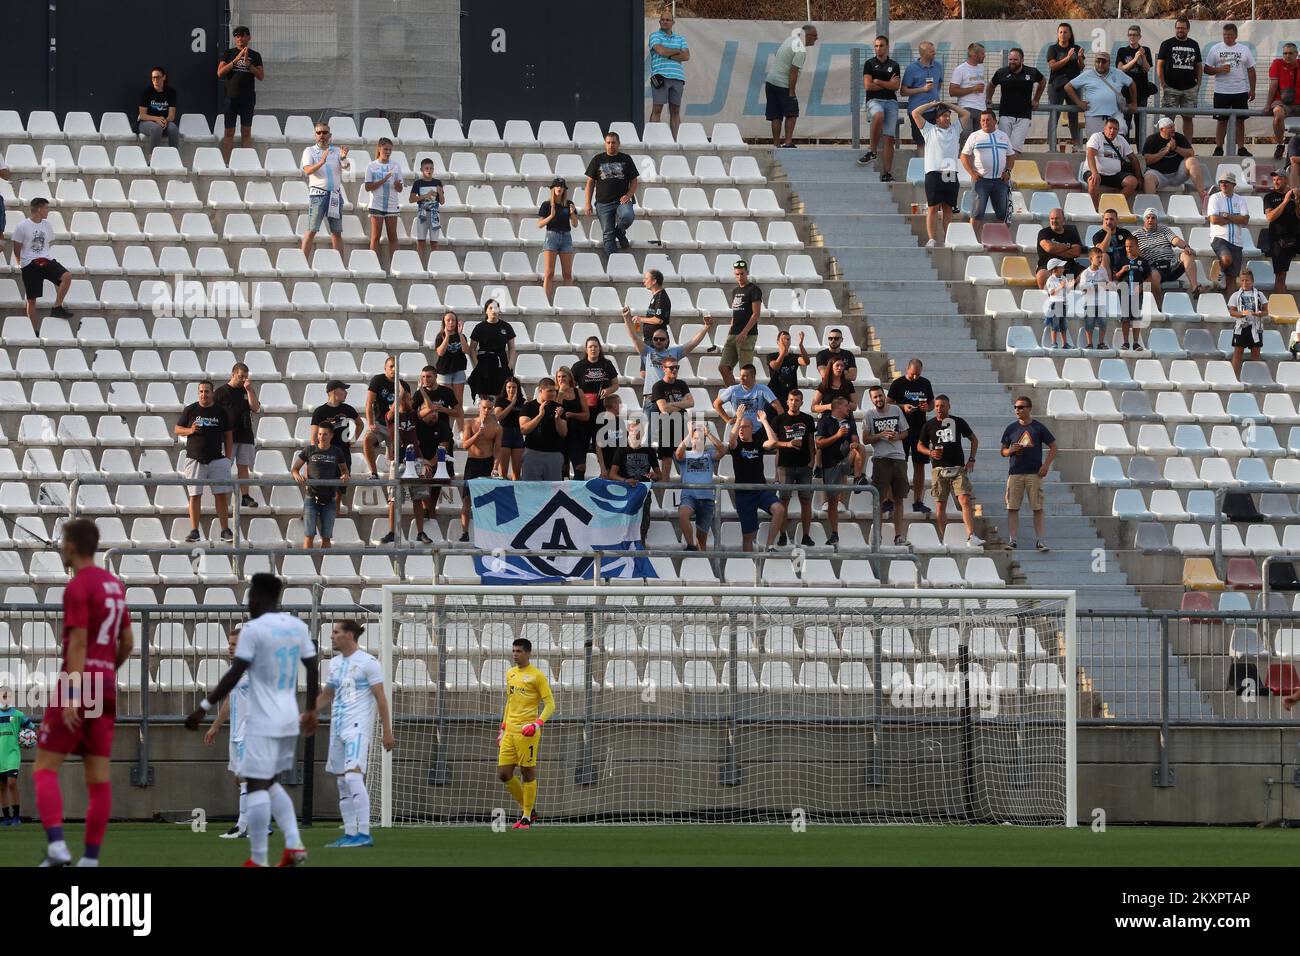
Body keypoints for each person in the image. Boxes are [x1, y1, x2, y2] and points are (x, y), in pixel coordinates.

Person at [185, 572, 317, 868]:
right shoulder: (297, 626)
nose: (248, 603)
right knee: (268, 783)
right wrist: (310, 711)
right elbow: (313, 667)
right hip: (287, 715)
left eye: (249, 598)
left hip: (261, 718)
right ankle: (293, 846)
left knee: (256, 784)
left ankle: (259, 858)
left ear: (258, 598)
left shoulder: (255, 630)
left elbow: (234, 674)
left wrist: (203, 707)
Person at [33, 519, 133, 867]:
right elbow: (128, 643)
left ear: (72, 546)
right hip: (105, 685)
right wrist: (105, 674)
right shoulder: (114, 586)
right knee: (98, 777)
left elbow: (77, 643)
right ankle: (90, 860)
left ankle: (58, 846)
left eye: (63, 542)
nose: (62, 548)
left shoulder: (78, 587)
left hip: (79, 682)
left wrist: (76, 690)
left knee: (44, 768)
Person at [313, 620, 395, 848]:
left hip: (358, 727)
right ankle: (350, 834)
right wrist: (309, 712)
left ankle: (365, 833)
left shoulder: (368, 663)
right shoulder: (335, 663)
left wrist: (387, 731)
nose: (331, 636)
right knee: (341, 782)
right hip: (338, 727)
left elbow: (381, 698)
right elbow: (328, 694)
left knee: (352, 776)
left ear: (349, 635)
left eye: (336, 632)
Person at [496, 638, 555, 830]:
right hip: (510, 731)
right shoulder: (510, 674)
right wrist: (503, 728)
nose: (515, 654)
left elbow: (550, 704)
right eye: (513, 650)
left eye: (519, 651)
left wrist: (536, 724)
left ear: (528, 653)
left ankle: (527, 817)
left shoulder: (537, 676)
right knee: (504, 774)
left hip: (527, 732)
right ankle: (528, 809)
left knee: (527, 772)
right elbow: (510, 703)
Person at [202, 624, 252, 839]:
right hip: (237, 731)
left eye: (235, 644)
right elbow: (230, 700)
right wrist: (216, 725)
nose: (230, 648)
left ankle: (243, 827)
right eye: (230, 644)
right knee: (240, 779)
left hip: (252, 731)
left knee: (245, 779)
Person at [916, 395, 983, 547]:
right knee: (940, 505)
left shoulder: (958, 421)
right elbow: (919, 446)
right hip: (939, 469)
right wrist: (930, 452)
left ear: (949, 406)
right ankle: (944, 537)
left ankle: (971, 536)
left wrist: (972, 459)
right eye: (937, 406)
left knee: (964, 500)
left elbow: (974, 439)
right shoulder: (929, 425)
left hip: (958, 468)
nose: (939, 409)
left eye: (942, 406)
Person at [626, 312, 713, 423]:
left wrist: (706, 327)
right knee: (651, 433)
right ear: (652, 340)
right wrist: (626, 318)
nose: (658, 341)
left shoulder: (674, 352)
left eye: (661, 339)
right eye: (656, 339)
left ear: (667, 341)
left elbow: (693, 343)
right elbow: (633, 337)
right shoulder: (647, 351)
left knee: (672, 434)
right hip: (651, 397)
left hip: (669, 397)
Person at [176, 380, 233, 543]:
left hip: (217, 458)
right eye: (201, 391)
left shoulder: (220, 411)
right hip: (195, 458)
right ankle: (194, 530)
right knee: (195, 495)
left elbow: (228, 435)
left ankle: (225, 530)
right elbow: (177, 429)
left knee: (220, 495)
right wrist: (190, 430)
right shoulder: (191, 409)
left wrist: (228, 458)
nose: (203, 394)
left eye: (206, 391)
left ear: (212, 393)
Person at [1001, 397, 1057, 552]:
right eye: (1015, 407)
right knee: (1012, 507)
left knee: (1037, 507)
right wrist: (1010, 450)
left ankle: (1040, 541)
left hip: (1034, 473)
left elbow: (1053, 446)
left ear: (1029, 408)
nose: (1017, 410)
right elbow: (1003, 451)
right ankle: (1012, 540)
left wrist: (1046, 465)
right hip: (1015, 473)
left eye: (1020, 407)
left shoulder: (1038, 427)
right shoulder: (1011, 428)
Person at [911, 101, 967, 248]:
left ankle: (947, 239)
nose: (947, 118)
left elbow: (966, 114)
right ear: (937, 119)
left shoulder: (955, 129)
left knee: (948, 208)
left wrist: (949, 105)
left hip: (950, 172)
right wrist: (932, 104)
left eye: (948, 116)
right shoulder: (929, 130)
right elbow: (915, 113)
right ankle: (931, 239)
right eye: (944, 116)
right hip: (934, 173)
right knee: (933, 207)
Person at [731, 410, 786, 553]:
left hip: (760, 490)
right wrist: (739, 419)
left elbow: (773, 441)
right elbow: (731, 439)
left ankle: (769, 547)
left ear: (752, 429)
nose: (742, 430)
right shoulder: (736, 446)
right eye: (740, 428)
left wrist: (764, 421)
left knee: (779, 509)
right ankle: (747, 567)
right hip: (743, 494)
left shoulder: (757, 444)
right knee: (749, 536)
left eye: (745, 427)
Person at [11, 198, 73, 325]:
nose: (47, 211)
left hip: (45, 260)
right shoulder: (22, 226)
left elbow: (47, 242)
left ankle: (57, 307)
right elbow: (16, 249)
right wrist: (21, 264)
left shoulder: (47, 224)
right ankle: (34, 331)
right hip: (29, 264)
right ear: (39, 209)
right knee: (31, 300)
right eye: (46, 208)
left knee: (66, 276)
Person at [381, 387, 431, 544]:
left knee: (418, 497)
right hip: (398, 460)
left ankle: (420, 532)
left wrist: (422, 390)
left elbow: (429, 408)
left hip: (415, 459)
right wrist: (401, 392)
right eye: (409, 399)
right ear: (402, 400)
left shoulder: (413, 415)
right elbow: (393, 410)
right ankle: (392, 532)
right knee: (394, 498)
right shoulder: (391, 416)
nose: (412, 402)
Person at [862, 385, 910, 546]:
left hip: (898, 458)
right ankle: (878, 535)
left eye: (880, 396)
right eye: (875, 397)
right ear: (871, 399)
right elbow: (865, 439)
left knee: (899, 499)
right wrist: (881, 435)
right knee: (879, 499)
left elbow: (905, 432)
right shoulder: (869, 414)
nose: (878, 399)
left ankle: (898, 536)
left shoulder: (896, 410)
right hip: (881, 459)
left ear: (884, 395)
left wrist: (897, 436)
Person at [887, 359, 935, 516]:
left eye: (918, 374)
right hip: (901, 427)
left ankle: (918, 501)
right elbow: (888, 404)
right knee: (897, 464)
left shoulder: (925, 383)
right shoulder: (898, 383)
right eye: (913, 373)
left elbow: (932, 404)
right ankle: (891, 500)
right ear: (907, 369)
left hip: (920, 428)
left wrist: (927, 407)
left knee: (919, 465)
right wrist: (903, 407)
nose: (915, 377)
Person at [814, 396, 862, 548]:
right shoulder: (824, 421)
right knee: (833, 501)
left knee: (860, 448)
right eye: (847, 406)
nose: (849, 408)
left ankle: (858, 477)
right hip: (830, 464)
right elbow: (819, 443)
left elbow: (856, 439)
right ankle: (834, 533)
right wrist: (837, 436)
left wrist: (854, 443)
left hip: (846, 459)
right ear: (838, 407)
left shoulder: (851, 422)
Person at [772, 388, 817, 548]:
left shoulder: (808, 419)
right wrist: (776, 469)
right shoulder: (779, 419)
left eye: (797, 400)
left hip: (804, 466)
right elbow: (775, 445)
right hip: (785, 466)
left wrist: (812, 460)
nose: (793, 402)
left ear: (801, 402)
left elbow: (811, 442)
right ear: (787, 401)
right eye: (791, 399)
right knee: (783, 502)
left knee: (806, 502)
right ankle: (782, 535)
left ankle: (806, 535)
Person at [310, 380, 363, 512]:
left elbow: (360, 424)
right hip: (326, 453)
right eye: (343, 389)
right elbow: (313, 436)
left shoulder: (348, 409)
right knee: (324, 485)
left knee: (341, 485)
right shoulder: (320, 411)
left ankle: (336, 513)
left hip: (343, 453)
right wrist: (315, 454)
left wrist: (353, 439)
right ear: (334, 391)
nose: (346, 392)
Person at [1204, 23, 1257, 157]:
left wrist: (1252, 89)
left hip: (1240, 90)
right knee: (1221, 120)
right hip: (1221, 91)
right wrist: (1219, 69)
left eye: (1230, 35)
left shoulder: (1244, 49)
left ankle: (1241, 148)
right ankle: (1218, 147)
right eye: (1225, 35)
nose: (1227, 37)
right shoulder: (1215, 48)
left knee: (1240, 120)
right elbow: (1206, 69)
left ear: (1236, 35)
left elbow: (1251, 70)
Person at [292, 425, 349, 548]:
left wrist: (345, 475)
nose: (321, 437)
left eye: (324, 434)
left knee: (326, 538)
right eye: (319, 434)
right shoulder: (309, 450)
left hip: (330, 498)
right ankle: (307, 566)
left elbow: (344, 469)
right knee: (308, 537)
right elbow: (295, 469)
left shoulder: (337, 451)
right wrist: (297, 475)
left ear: (331, 435)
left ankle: (326, 566)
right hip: (311, 497)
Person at [214, 363, 261, 511]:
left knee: (244, 466)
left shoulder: (246, 390)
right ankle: (222, 495)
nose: (243, 380)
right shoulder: (221, 392)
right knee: (224, 465)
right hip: (228, 435)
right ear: (233, 374)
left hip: (246, 434)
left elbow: (255, 408)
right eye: (241, 377)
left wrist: (249, 389)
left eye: (246, 377)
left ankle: (245, 496)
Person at [583, 132, 638, 257]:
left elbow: (634, 181)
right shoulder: (597, 159)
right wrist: (587, 203)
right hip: (603, 203)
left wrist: (628, 195)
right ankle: (614, 264)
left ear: (618, 144)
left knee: (627, 216)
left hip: (621, 201)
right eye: (608, 142)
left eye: (613, 142)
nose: (611, 145)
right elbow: (590, 183)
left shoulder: (626, 159)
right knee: (608, 234)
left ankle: (619, 231)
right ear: (605, 144)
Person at [571, 337, 619, 478]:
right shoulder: (579, 366)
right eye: (590, 346)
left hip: (602, 411)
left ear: (600, 348)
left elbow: (616, 384)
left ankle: (604, 473)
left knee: (602, 444)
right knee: (582, 445)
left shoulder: (606, 364)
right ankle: (579, 475)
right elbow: (571, 386)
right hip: (584, 412)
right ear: (586, 349)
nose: (593, 349)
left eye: (596, 346)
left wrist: (608, 391)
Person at [300, 123, 351, 255]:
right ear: (315, 135)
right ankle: (302, 262)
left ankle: (339, 264)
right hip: (318, 195)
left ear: (330, 135)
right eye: (319, 133)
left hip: (335, 195)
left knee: (336, 232)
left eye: (324, 132)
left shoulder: (336, 151)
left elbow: (347, 168)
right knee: (312, 230)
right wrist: (321, 161)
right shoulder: (309, 150)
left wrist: (343, 158)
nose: (322, 135)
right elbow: (307, 170)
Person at [857, 35, 903, 181]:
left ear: (887, 47)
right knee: (878, 115)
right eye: (876, 46)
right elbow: (868, 85)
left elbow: (895, 86)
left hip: (891, 101)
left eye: (881, 45)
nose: (878, 49)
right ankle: (872, 151)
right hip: (874, 100)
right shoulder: (869, 64)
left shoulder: (894, 65)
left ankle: (887, 173)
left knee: (889, 138)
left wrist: (878, 81)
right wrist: (886, 83)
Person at [216, 26, 264, 164]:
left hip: (248, 98)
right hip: (231, 98)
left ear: (249, 37)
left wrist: (249, 65)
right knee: (229, 132)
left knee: (246, 131)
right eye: (237, 36)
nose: (240, 39)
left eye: (243, 36)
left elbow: (261, 76)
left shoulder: (255, 55)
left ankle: (247, 163)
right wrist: (235, 61)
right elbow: (220, 73)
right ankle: (226, 164)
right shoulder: (228, 53)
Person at [766, 24, 817, 148]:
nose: (816, 39)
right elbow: (793, 71)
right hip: (783, 84)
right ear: (807, 36)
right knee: (792, 113)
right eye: (815, 36)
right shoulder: (800, 49)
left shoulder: (790, 39)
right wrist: (792, 91)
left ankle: (776, 145)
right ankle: (788, 142)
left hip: (770, 81)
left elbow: (777, 53)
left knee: (776, 115)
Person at [960, 110, 1015, 225]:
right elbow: (963, 156)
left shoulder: (1003, 136)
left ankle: (998, 242)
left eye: (988, 120)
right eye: (983, 120)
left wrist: (1008, 171)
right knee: (976, 215)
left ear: (995, 121)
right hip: (981, 181)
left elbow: (1011, 155)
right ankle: (975, 242)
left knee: (1003, 215)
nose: (985, 122)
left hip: (1000, 181)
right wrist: (972, 173)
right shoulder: (974, 136)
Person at [675, 422, 724, 552]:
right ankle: (690, 545)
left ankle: (701, 561)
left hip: (707, 499)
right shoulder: (686, 455)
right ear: (691, 439)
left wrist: (709, 434)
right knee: (683, 514)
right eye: (695, 438)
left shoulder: (709, 455)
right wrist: (689, 433)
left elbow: (723, 450)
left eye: (701, 438)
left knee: (701, 539)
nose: (698, 440)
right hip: (689, 496)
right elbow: (678, 453)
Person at [1065, 50, 1135, 141]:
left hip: (1114, 114)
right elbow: (1068, 87)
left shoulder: (1117, 73)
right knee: (1095, 145)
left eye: (1104, 61)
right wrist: (1078, 102)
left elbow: (1132, 83)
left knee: (1118, 140)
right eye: (1098, 61)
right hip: (1093, 116)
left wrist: (1134, 103)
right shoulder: (1087, 74)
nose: (1100, 64)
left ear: (1109, 63)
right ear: (1095, 62)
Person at [610, 417, 660, 539]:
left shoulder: (649, 451)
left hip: (643, 492)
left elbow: (660, 475)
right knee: (626, 524)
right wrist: (625, 481)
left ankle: (641, 546)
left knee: (644, 523)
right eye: (633, 431)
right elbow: (612, 474)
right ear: (629, 432)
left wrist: (655, 475)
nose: (636, 434)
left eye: (638, 431)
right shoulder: (621, 451)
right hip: (626, 492)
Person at [989, 48, 1045, 155]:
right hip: (1005, 115)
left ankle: (1008, 171)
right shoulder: (1001, 72)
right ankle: (1003, 170)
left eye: (1015, 59)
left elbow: (1043, 81)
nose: (1012, 62)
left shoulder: (1032, 72)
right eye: (1010, 59)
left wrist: (1036, 99)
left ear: (1022, 60)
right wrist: (988, 100)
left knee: (1015, 149)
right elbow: (991, 85)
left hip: (1024, 116)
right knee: (1003, 147)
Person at [1135, 209, 1202, 297]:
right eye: (1148, 217)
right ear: (1144, 219)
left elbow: (1175, 240)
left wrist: (1186, 247)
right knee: (1153, 275)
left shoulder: (1163, 229)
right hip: (1154, 268)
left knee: (1187, 254)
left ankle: (1194, 287)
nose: (1150, 220)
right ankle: (1158, 306)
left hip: (1171, 266)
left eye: (1153, 218)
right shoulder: (1136, 235)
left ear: (1157, 220)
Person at [460, 397, 501, 541]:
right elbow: (465, 445)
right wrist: (478, 434)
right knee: (466, 500)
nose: (486, 410)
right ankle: (464, 533)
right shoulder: (470, 423)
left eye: (490, 408)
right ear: (479, 407)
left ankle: (486, 533)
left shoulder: (497, 427)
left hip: (487, 463)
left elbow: (497, 450)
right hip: (472, 463)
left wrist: (495, 466)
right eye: (484, 407)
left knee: (488, 501)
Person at [363, 356, 409, 479]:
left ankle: (393, 487)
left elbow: (410, 406)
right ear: (385, 368)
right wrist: (370, 423)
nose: (394, 369)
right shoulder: (378, 380)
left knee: (395, 458)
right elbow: (368, 403)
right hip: (381, 423)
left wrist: (402, 394)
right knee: (367, 439)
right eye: (391, 366)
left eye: (396, 367)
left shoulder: (403, 384)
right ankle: (374, 473)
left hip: (396, 426)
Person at [1157, 17, 1203, 142]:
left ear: (1188, 29)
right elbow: (1160, 64)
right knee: (1168, 119)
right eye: (1178, 28)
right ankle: (1166, 144)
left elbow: (1199, 65)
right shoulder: (1167, 44)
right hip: (1171, 87)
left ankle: (1187, 146)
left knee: (1188, 118)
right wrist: (1163, 83)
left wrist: (1198, 84)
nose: (1180, 30)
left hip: (1189, 88)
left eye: (1182, 28)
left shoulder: (1194, 44)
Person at [649, 355, 693, 478]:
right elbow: (663, 408)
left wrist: (672, 404)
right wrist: (681, 405)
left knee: (684, 458)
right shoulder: (658, 386)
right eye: (671, 367)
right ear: (664, 368)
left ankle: (687, 489)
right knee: (666, 460)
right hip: (667, 426)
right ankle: (665, 489)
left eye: (677, 367)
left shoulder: (682, 384)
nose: (675, 370)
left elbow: (691, 403)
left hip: (683, 424)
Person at [648, 8, 689, 138]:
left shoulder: (680, 38)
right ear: (659, 22)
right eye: (663, 20)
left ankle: (677, 141)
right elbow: (661, 51)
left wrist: (669, 54)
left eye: (668, 20)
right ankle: (653, 139)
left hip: (677, 77)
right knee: (657, 108)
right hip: (661, 76)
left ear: (673, 22)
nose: (665, 22)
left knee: (675, 110)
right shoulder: (654, 35)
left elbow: (686, 56)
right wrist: (677, 51)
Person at [1142, 116, 1206, 199]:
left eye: (1173, 126)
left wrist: (1176, 148)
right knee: (1148, 178)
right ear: (1162, 129)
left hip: (1177, 174)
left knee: (1192, 161)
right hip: (1159, 175)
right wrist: (1165, 151)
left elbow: (1191, 153)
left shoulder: (1179, 137)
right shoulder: (1152, 139)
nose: (1173, 129)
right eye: (1170, 127)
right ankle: (1151, 206)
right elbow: (1148, 160)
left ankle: (1203, 195)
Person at [1207, 171, 1250, 296]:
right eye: (1221, 182)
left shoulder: (1240, 199)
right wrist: (1235, 218)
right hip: (1219, 238)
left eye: (1226, 182)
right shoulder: (1214, 198)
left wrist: (1225, 215)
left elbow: (1245, 220)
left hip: (1236, 241)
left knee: (1232, 279)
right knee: (1227, 259)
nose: (1223, 184)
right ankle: (1219, 273)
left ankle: (1229, 308)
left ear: (1233, 184)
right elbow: (1214, 219)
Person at [721, 259, 762, 387]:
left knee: (745, 372)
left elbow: (756, 314)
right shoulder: (735, 290)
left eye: (742, 274)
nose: (739, 277)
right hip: (734, 333)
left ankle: (746, 399)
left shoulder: (754, 290)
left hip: (747, 334)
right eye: (737, 274)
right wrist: (730, 331)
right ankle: (735, 395)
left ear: (747, 273)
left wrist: (745, 332)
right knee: (723, 367)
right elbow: (735, 313)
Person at [1084, 116, 1140, 205]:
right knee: (1093, 181)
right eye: (1110, 128)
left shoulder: (1121, 139)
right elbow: (1090, 155)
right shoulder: (1096, 137)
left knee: (1132, 182)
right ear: (1105, 128)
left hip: (1114, 174)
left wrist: (1139, 177)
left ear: (1118, 131)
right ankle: (1096, 209)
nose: (1112, 131)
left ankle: (1113, 206)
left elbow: (1133, 158)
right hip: (1096, 172)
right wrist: (1094, 172)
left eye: (1115, 129)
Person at [1046, 23, 1086, 150]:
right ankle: (1052, 146)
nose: (1063, 34)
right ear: (1057, 34)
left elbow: (1081, 67)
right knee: (1054, 114)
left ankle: (1076, 145)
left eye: (1065, 32)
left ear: (1070, 34)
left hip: (1073, 86)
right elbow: (1053, 66)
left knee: (1073, 114)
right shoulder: (1053, 49)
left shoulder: (1076, 48)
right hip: (1056, 86)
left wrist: (1079, 58)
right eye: (1060, 32)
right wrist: (1068, 58)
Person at [364, 137, 404, 263]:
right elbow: (368, 187)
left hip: (392, 204)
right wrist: (384, 179)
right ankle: (372, 265)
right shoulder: (371, 166)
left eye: (390, 150)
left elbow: (400, 189)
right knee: (375, 237)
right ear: (379, 149)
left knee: (393, 236)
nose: (388, 152)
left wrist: (398, 184)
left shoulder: (396, 166)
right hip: (376, 204)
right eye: (385, 149)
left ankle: (394, 265)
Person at [520, 379, 569, 480]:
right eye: (549, 391)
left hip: (554, 454)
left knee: (553, 490)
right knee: (531, 488)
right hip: (533, 453)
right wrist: (540, 415)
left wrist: (557, 418)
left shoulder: (558, 408)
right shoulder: (528, 407)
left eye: (555, 391)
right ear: (540, 390)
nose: (553, 393)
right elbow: (524, 429)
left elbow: (563, 433)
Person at [467, 298, 516, 400]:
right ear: (486, 311)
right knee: (483, 393)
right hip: (484, 363)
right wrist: (477, 366)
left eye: (496, 308)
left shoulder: (506, 327)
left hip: (501, 362)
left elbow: (512, 348)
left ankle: (498, 414)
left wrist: (510, 365)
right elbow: (472, 348)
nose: (493, 311)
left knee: (501, 393)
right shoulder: (479, 327)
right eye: (490, 308)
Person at [538, 177, 579, 299]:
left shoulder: (569, 204)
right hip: (552, 236)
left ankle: (567, 300)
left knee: (567, 273)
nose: (559, 188)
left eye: (561, 186)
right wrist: (551, 216)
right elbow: (540, 224)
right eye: (557, 186)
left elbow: (575, 224)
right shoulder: (547, 204)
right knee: (549, 272)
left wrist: (572, 214)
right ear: (553, 188)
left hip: (566, 236)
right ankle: (545, 300)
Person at [0, 689, 35, 827]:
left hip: (12, 754)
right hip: (0, 755)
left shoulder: (18, 714)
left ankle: (16, 816)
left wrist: (31, 739)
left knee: (11, 784)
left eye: (7, 696)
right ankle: (6, 817)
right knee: (1, 787)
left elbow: (32, 728)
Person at [901, 41, 944, 150]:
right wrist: (922, 89)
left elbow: (939, 83)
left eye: (934, 50)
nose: (935, 53)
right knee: (921, 143)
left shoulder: (938, 66)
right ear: (923, 53)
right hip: (918, 112)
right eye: (931, 51)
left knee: (936, 141)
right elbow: (903, 91)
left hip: (934, 110)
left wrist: (934, 95)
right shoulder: (912, 68)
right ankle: (921, 166)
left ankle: (933, 166)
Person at [1264, 169, 1300, 294]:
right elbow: (1270, 217)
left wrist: (1297, 201)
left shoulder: (1295, 196)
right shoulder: (1269, 197)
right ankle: (1281, 306)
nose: (1276, 182)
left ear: (1286, 180)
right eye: (1274, 180)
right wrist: (1285, 202)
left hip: (1296, 236)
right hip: (1278, 239)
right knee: (1280, 275)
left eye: (1279, 179)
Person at [1113, 235, 1152, 350]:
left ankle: (1136, 342)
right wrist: (1122, 270)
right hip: (1124, 292)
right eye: (1127, 246)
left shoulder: (1143, 262)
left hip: (1137, 293)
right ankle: (1125, 342)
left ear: (1137, 246)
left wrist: (1141, 287)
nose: (1129, 248)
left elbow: (1149, 278)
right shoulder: (1121, 260)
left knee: (1136, 319)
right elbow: (1115, 276)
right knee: (1125, 318)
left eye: (1131, 246)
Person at [1228, 268, 1269, 376]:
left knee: (1256, 354)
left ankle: (1257, 377)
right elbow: (1232, 312)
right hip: (1241, 327)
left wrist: (1260, 313)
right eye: (1242, 280)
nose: (1244, 283)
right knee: (1237, 354)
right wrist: (1242, 313)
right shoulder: (1235, 295)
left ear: (1252, 281)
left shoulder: (1259, 295)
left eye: (1247, 280)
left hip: (1256, 327)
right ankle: (1234, 378)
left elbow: (1266, 311)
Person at [714, 363, 781, 427]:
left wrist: (781, 424)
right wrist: (728, 420)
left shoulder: (762, 389)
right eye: (740, 375)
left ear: (753, 377)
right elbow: (716, 404)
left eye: (745, 376)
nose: (741, 378)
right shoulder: (733, 389)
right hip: (740, 429)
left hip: (758, 429)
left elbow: (777, 406)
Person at [1118, 26, 1154, 141]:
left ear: (1139, 37)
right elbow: (1121, 69)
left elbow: (1147, 68)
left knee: (1140, 122)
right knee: (1125, 121)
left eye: (1134, 35)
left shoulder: (1145, 50)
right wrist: (1134, 59)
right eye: (1130, 35)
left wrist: (1142, 56)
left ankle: (1140, 149)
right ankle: (1125, 148)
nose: (1132, 37)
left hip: (1142, 91)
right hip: (1126, 91)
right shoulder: (1122, 51)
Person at [554, 367, 591, 479]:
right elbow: (554, 411)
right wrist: (560, 392)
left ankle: (578, 493)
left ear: (570, 377)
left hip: (577, 433)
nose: (561, 379)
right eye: (558, 377)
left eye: (564, 376)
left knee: (580, 467)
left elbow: (586, 415)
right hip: (560, 433)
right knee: (563, 468)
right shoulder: (554, 392)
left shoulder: (578, 392)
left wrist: (573, 415)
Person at [630, 269, 673, 363]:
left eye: (646, 278)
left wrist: (641, 319)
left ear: (654, 281)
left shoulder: (661, 297)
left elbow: (659, 320)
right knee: (644, 371)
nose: (643, 281)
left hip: (656, 341)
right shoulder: (656, 297)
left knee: (652, 371)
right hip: (650, 340)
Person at [949, 43, 988, 146]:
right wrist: (973, 89)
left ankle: (976, 162)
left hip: (981, 108)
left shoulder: (981, 68)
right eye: (982, 54)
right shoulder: (960, 69)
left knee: (979, 140)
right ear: (974, 55)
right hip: (966, 108)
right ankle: (962, 161)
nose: (985, 56)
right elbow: (952, 91)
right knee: (967, 140)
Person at [1035, 207, 1085, 288]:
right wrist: (1068, 246)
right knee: (1041, 275)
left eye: (1057, 218)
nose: (1054, 221)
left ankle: (1071, 291)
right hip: (1049, 267)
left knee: (1087, 274)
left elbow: (1076, 252)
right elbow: (1049, 248)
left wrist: (1055, 249)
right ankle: (1049, 298)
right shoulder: (1044, 232)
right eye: (1052, 218)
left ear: (1063, 219)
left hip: (1068, 267)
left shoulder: (1071, 234)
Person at [137, 66, 180, 153]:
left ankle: (174, 157)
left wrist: (164, 121)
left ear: (164, 77)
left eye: (158, 77)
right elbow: (142, 115)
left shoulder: (171, 92)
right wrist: (156, 119)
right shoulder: (147, 92)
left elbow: (171, 116)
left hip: (165, 121)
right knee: (157, 128)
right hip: (146, 123)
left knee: (174, 128)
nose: (155, 80)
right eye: (153, 78)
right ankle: (152, 158)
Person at [1269, 44, 1300, 160]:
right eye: (1285, 53)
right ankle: (1280, 145)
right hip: (1283, 103)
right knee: (1278, 114)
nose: (1287, 56)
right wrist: (1268, 105)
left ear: (1296, 54)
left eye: (1291, 53)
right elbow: (1273, 85)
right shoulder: (1277, 64)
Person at [409, 157, 444, 259]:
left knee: (434, 242)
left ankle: (436, 265)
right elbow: (411, 199)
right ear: (421, 170)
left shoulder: (438, 182)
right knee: (421, 242)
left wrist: (440, 192)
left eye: (431, 168)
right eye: (426, 168)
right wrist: (425, 196)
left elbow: (442, 201)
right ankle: (418, 266)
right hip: (422, 215)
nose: (429, 171)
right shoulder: (418, 183)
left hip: (435, 214)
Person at [432, 310, 468, 407]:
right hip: (444, 371)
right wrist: (447, 336)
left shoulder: (462, 336)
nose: (451, 322)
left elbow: (465, 350)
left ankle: (459, 422)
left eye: (453, 320)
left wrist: (460, 334)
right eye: (448, 320)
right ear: (444, 322)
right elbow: (440, 352)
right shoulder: (440, 336)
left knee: (458, 402)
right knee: (445, 401)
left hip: (458, 370)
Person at [766, 328, 809, 406]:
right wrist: (783, 352)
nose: (786, 341)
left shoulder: (794, 357)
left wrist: (801, 346)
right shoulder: (771, 356)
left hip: (790, 396)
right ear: (777, 342)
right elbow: (775, 367)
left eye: (788, 339)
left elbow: (806, 362)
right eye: (783, 339)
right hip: (775, 395)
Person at [495, 376, 526, 480]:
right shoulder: (500, 401)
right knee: (502, 474)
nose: (511, 390)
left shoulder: (522, 401)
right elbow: (498, 417)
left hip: (518, 434)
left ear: (518, 389)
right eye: (509, 387)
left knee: (517, 473)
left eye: (514, 387)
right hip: (504, 434)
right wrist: (511, 404)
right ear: (505, 388)